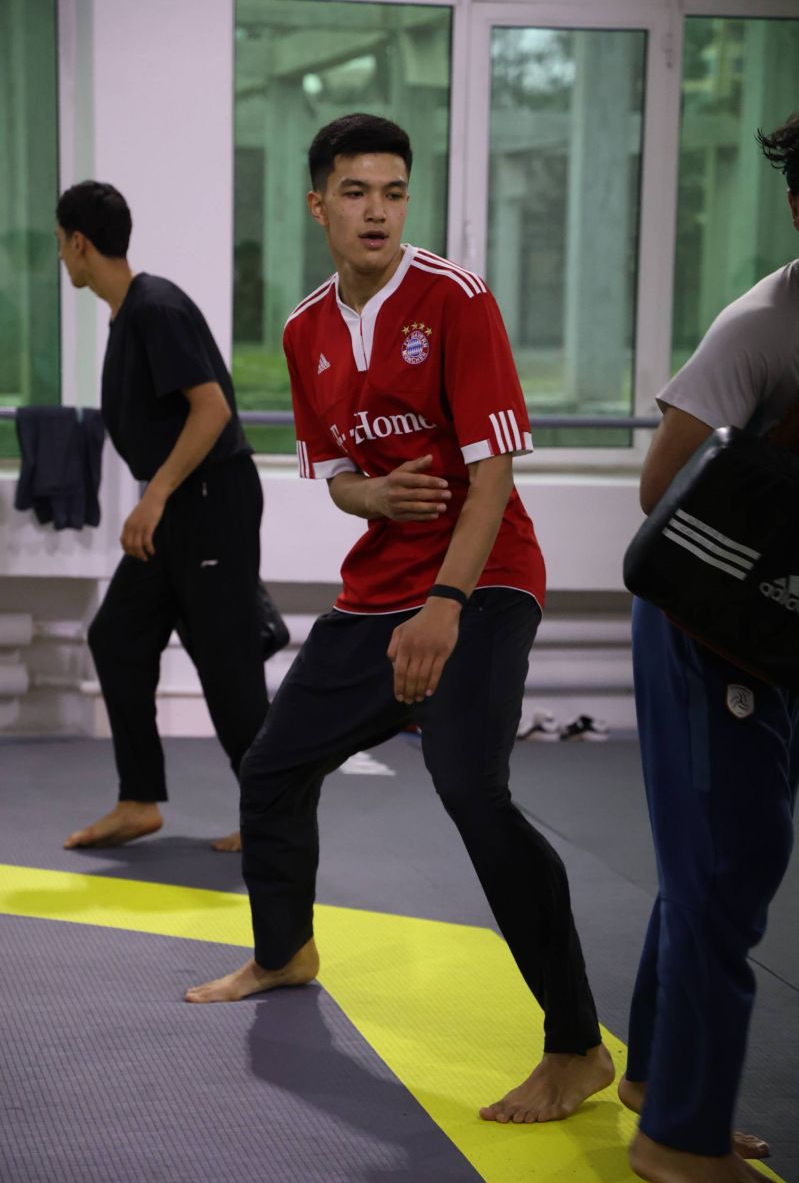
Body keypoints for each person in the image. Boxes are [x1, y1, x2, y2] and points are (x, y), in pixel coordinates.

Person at [186, 112, 614, 1123]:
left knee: (471, 789)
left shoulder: (455, 299)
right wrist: (369, 498)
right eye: (355, 192)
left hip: (485, 577)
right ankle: (284, 952)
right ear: (318, 205)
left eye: (392, 192)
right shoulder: (303, 331)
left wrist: (445, 607)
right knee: (273, 768)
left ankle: (574, 1046)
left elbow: (493, 472)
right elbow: (337, 476)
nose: (376, 211)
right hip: (379, 588)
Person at [619, 114, 799, 1183]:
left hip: (782, 625)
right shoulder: (763, 329)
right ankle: (678, 1144)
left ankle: (656, 1080)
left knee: (716, 856)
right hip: (702, 626)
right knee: (728, 867)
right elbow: (661, 495)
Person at [56, 181, 267, 853]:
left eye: (61, 244)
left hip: (209, 500)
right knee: (118, 636)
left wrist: (153, 497)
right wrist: (157, 498)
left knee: (226, 660)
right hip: (178, 504)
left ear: (79, 243)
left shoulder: (155, 308)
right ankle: (138, 800)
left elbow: (212, 410)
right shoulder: (132, 314)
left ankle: (274, 815)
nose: (61, 257)